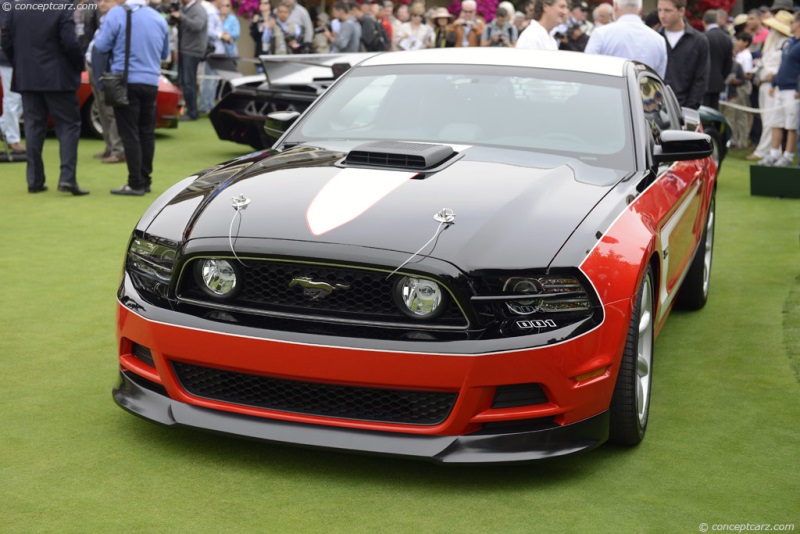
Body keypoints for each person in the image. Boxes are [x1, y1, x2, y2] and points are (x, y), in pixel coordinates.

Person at [1, 0, 88, 195]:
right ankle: (66, 179)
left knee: (33, 127)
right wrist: (78, 65)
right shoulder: (61, 6)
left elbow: (5, 40)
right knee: (68, 126)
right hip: (58, 78)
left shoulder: (16, 7)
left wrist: (21, 62)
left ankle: (34, 180)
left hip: (28, 77)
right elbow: (70, 42)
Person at [94, 0, 170, 195]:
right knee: (146, 132)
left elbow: (101, 45)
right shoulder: (158, 18)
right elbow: (165, 54)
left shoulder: (117, 14)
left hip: (125, 81)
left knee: (129, 133)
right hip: (152, 82)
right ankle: (145, 180)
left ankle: (135, 183)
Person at [747, 10, 792, 161]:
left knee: (771, 120)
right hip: (765, 84)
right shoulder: (774, 43)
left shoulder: (785, 44)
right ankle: (773, 150)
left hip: (773, 85)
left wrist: (774, 77)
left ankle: (765, 151)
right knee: (768, 119)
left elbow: (784, 66)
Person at [758, 11, 800, 167]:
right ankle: (774, 154)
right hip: (781, 88)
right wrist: (775, 83)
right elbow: (783, 66)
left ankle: (788, 156)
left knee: (791, 124)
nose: (791, 26)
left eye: (793, 23)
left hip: (793, 91)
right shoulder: (790, 43)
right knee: (776, 122)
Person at [86, 0, 126, 164]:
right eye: (100, 1)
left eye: (106, 1)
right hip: (95, 68)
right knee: (102, 110)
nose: (101, 4)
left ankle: (118, 150)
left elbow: (106, 47)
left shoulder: (117, 19)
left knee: (110, 112)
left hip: (107, 71)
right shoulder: (103, 19)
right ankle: (110, 147)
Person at [585, 0, 666, 78]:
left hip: (605, 91)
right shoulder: (659, 40)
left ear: (615, 6)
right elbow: (659, 80)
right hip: (642, 91)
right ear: (640, 8)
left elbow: (587, 69)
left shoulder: (601, 34)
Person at [657, 0, 710, 110]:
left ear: (681, 11)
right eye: (659, 10)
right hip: (655, 108)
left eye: (667, 10)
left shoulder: (699, 41)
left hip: (684, 109)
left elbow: (700, 79)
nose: (662, 15)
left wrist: (689, 109)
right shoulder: (654, 38)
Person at [171, 0, 208, 121]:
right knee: (184, 82)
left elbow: (197, 26)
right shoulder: (184, 8)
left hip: (192, 51)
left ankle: (193, 113)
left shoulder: (198, 9)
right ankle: (190, 110)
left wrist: (181, 17)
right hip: (184, 49)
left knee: (189, 83)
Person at [0, 10, 25, 155]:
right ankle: (12, 139)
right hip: (8, 57)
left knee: (21, 98)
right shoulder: (5, 4)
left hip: (22, 57)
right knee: (12, 98)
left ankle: (4, 126)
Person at [702, 9, 733, 110]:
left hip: (702, 83)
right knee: (715, 112)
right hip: (718, 82)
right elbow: (729, 64)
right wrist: (721, 77)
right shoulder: (727, 38)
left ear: (703, 22)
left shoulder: (702, 38)